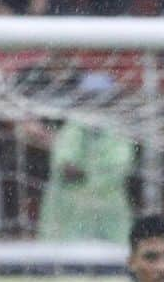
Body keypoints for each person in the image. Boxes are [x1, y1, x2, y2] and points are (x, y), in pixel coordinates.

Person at [37, 72, 136, 244]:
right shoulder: (73, 129)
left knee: (117, 260)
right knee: (64, 261)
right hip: (70, 210)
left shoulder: (118, 131)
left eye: (100, 97)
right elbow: (65, 166)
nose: (95, 101)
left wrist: (85, 174)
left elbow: (119, 167)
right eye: (90, 96)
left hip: (109, 210)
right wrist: (88, 173)